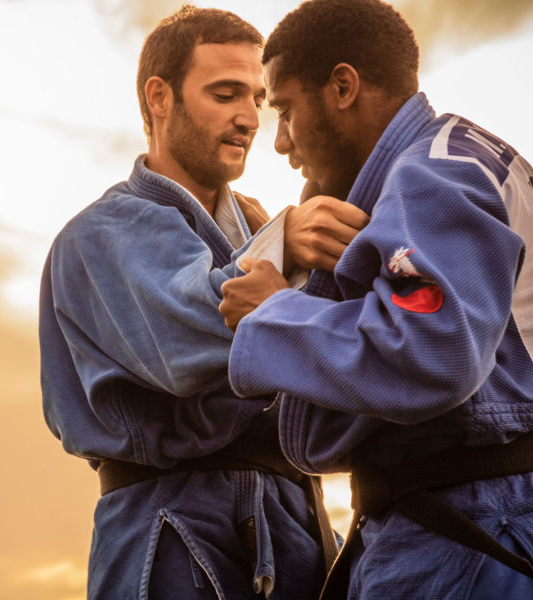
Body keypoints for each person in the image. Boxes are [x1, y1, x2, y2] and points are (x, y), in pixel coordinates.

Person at [39, 5, 369, 599]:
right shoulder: (100, 234)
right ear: (160, 98)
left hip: (293, 519)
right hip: (171, 519)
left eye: (257, 100)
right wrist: (285, 251)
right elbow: (189, 336)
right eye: (224, 94)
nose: (247, 118)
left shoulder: (256, 227)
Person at [219, 0, 533, 598]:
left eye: (284, 110)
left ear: (343, 86)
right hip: (484, 522)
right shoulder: (469, 157)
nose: (280, 141)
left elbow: (434, 350)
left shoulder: (429, 176)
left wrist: (271, 314)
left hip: (465, 528)